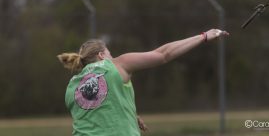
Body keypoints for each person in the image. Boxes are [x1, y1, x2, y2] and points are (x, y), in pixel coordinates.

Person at [57, 29, 229, 136]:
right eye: (109, 53)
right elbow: (163, 54)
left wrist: (130, 113)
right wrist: (204, 36)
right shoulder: (116, 65)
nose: (111, 56)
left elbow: (97, 107)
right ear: (101, 55)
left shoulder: (72, 86)